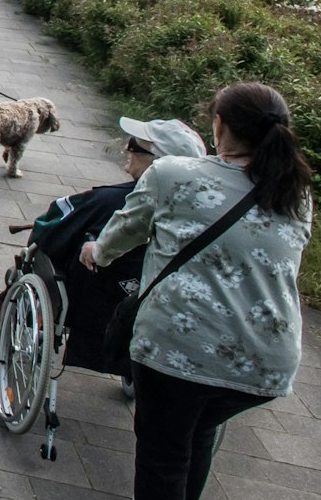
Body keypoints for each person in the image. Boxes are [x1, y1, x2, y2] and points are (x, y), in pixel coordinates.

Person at [78, 82, 313, 500]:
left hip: (181, 348)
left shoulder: (173, 175)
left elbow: (123, 233)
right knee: (200, 427)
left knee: (163, 453)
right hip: (267, 362)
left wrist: (95, 251)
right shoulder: (295, 190)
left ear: (220, 127)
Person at [24, 117, 207, 382]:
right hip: (164, 315)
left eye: (134, 145)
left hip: (91, 309)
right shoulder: (204, 214)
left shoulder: (106, 201)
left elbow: (49, 231)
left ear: (159, 164)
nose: (126, 149)